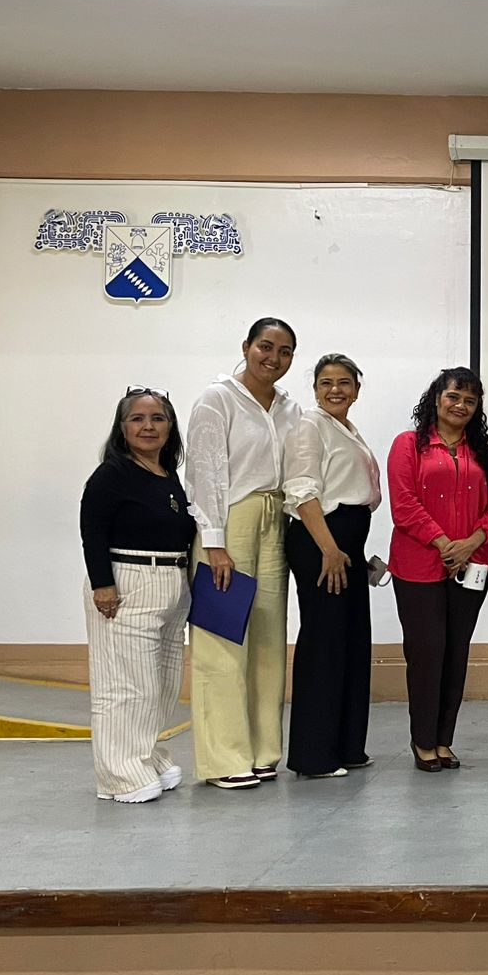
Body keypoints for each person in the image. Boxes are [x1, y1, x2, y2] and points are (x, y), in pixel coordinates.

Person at [185, 317, 302, 789]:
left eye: (285, 351)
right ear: (246, 347)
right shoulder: (217, 399)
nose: (273, 358)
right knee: (223, 639)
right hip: (229, 522)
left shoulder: (291, 408)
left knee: (269, 638)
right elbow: (204, 471)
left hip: (276, 519)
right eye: (265, 346)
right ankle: (224, 758)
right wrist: (214, 544)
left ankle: (261, 750)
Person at [79, 387, 196, 804]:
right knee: (125, 685)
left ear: (170, 427)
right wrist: (102, 585)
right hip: (127, 582)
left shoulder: (168, 475)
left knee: (160, 683)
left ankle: (144, 754)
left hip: (171, 582)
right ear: (122, 428)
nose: (148, 426)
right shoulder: (111, 474)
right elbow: (92, 530)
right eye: (138, 418)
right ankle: (118, 774)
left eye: (158, 418)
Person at [387, 367, 488, 773]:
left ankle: (443, 740)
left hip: (472, 566)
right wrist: (442, 543)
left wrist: (472, 542)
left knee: (456, 653)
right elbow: (403, 504)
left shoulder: (484, 452)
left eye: (470, 401)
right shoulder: (408, 444)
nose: (461, 406)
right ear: (437, 398)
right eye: (454, 397)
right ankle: (422, 741)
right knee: (426, 653)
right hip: (418, 566)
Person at [282, 353, 381, 779]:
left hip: (346, 543)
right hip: (322, 541)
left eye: (344, 382)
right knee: (324, 642)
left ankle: (346, 745)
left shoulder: (346, 428)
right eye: (326, 382)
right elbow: (302, 491)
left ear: (357, 389)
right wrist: (329, 548)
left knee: (352, 641)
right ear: (315, 388)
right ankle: (314, 755)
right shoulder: (310, 425)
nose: (335, 389)